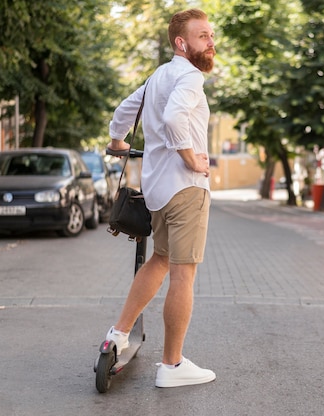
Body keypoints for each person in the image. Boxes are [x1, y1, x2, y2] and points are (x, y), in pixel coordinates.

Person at [105, 8, 216, 388]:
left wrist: (118, 140)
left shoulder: (158, 76)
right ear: (181, 43)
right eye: (203, 36)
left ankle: (118, 334)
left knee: (161, 260)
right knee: (183, 274)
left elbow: (124, 111)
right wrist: (190, 157)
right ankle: (172, 366)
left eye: (211, 35)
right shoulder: (189, 76)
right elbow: (173, 119)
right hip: (186, 188)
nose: (211, 42)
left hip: (157, 190)